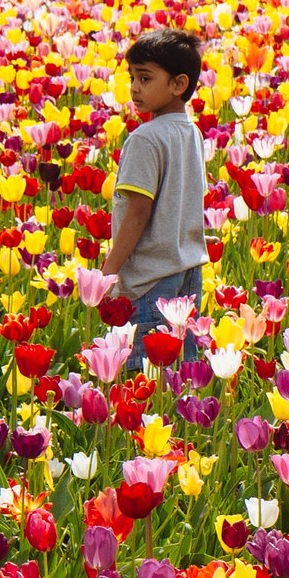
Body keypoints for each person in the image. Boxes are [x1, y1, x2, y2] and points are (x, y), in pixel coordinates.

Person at [101, 28, 208, 372]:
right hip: (188, 271)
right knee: (178, 372)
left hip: (148, 279)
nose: (134, 88)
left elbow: (137, 213)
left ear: (179, 84)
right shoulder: (191, 132)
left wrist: (107, 274)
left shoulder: (144, 139)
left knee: (144, 378)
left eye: (145, 78)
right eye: (132, 77)